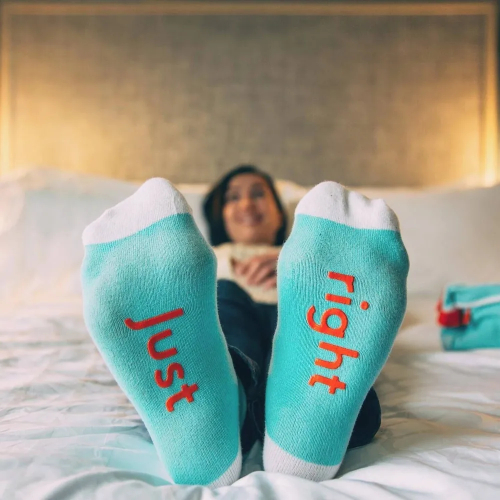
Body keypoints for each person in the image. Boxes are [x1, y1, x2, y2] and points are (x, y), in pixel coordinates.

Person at [203, 164, 382, 454]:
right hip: (231, 318)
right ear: (219, 216)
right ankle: (226, 392)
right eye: (233, 197)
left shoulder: (307, 256)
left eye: (258, 194)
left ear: (279, 214)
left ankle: (307, 407)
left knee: (307, 321)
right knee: (224, 295)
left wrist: (295, 263)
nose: (246, 204)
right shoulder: (205, 258)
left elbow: (365, 308)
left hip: (296, 317)